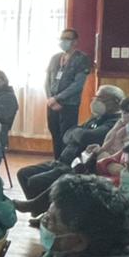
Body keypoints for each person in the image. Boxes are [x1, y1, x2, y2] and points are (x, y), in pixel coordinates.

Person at [14, 85, 125, 217]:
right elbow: (67, 135)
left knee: (35, 181)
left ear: (115, 102)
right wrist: (78, 134)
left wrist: (78, 134)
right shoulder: (96, 118)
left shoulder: (113, 122)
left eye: (100, 98)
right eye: (95, 97)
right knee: (23, 174)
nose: (95, 101)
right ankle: (41, 210)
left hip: (75, 166)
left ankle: (50, 213)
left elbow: (87, 137)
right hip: (61, 160)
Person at [45, 28, 94, 160]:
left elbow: (77, 85)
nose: (63, 41)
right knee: (55, 134)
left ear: (75, 42)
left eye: (67, 38)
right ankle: (56, 161)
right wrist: (50, 98)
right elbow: (47, 80)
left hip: (69, 105)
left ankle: (64, 163)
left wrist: (58, 99)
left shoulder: (81, 59)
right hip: (52, 104)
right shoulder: (55, 58)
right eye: (62, 38)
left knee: (66, 136)